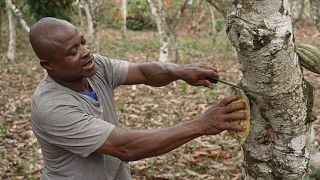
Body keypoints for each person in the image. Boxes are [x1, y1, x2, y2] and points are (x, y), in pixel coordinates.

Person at [29, 17, 247, 180]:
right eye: (72, 51)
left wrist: (179, 71)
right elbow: (125, 147)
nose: (85, 52)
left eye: (83, 42)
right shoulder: (52, 106)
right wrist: (202, 125)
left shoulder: (94, 67)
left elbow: (143, 72)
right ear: (49, 65)